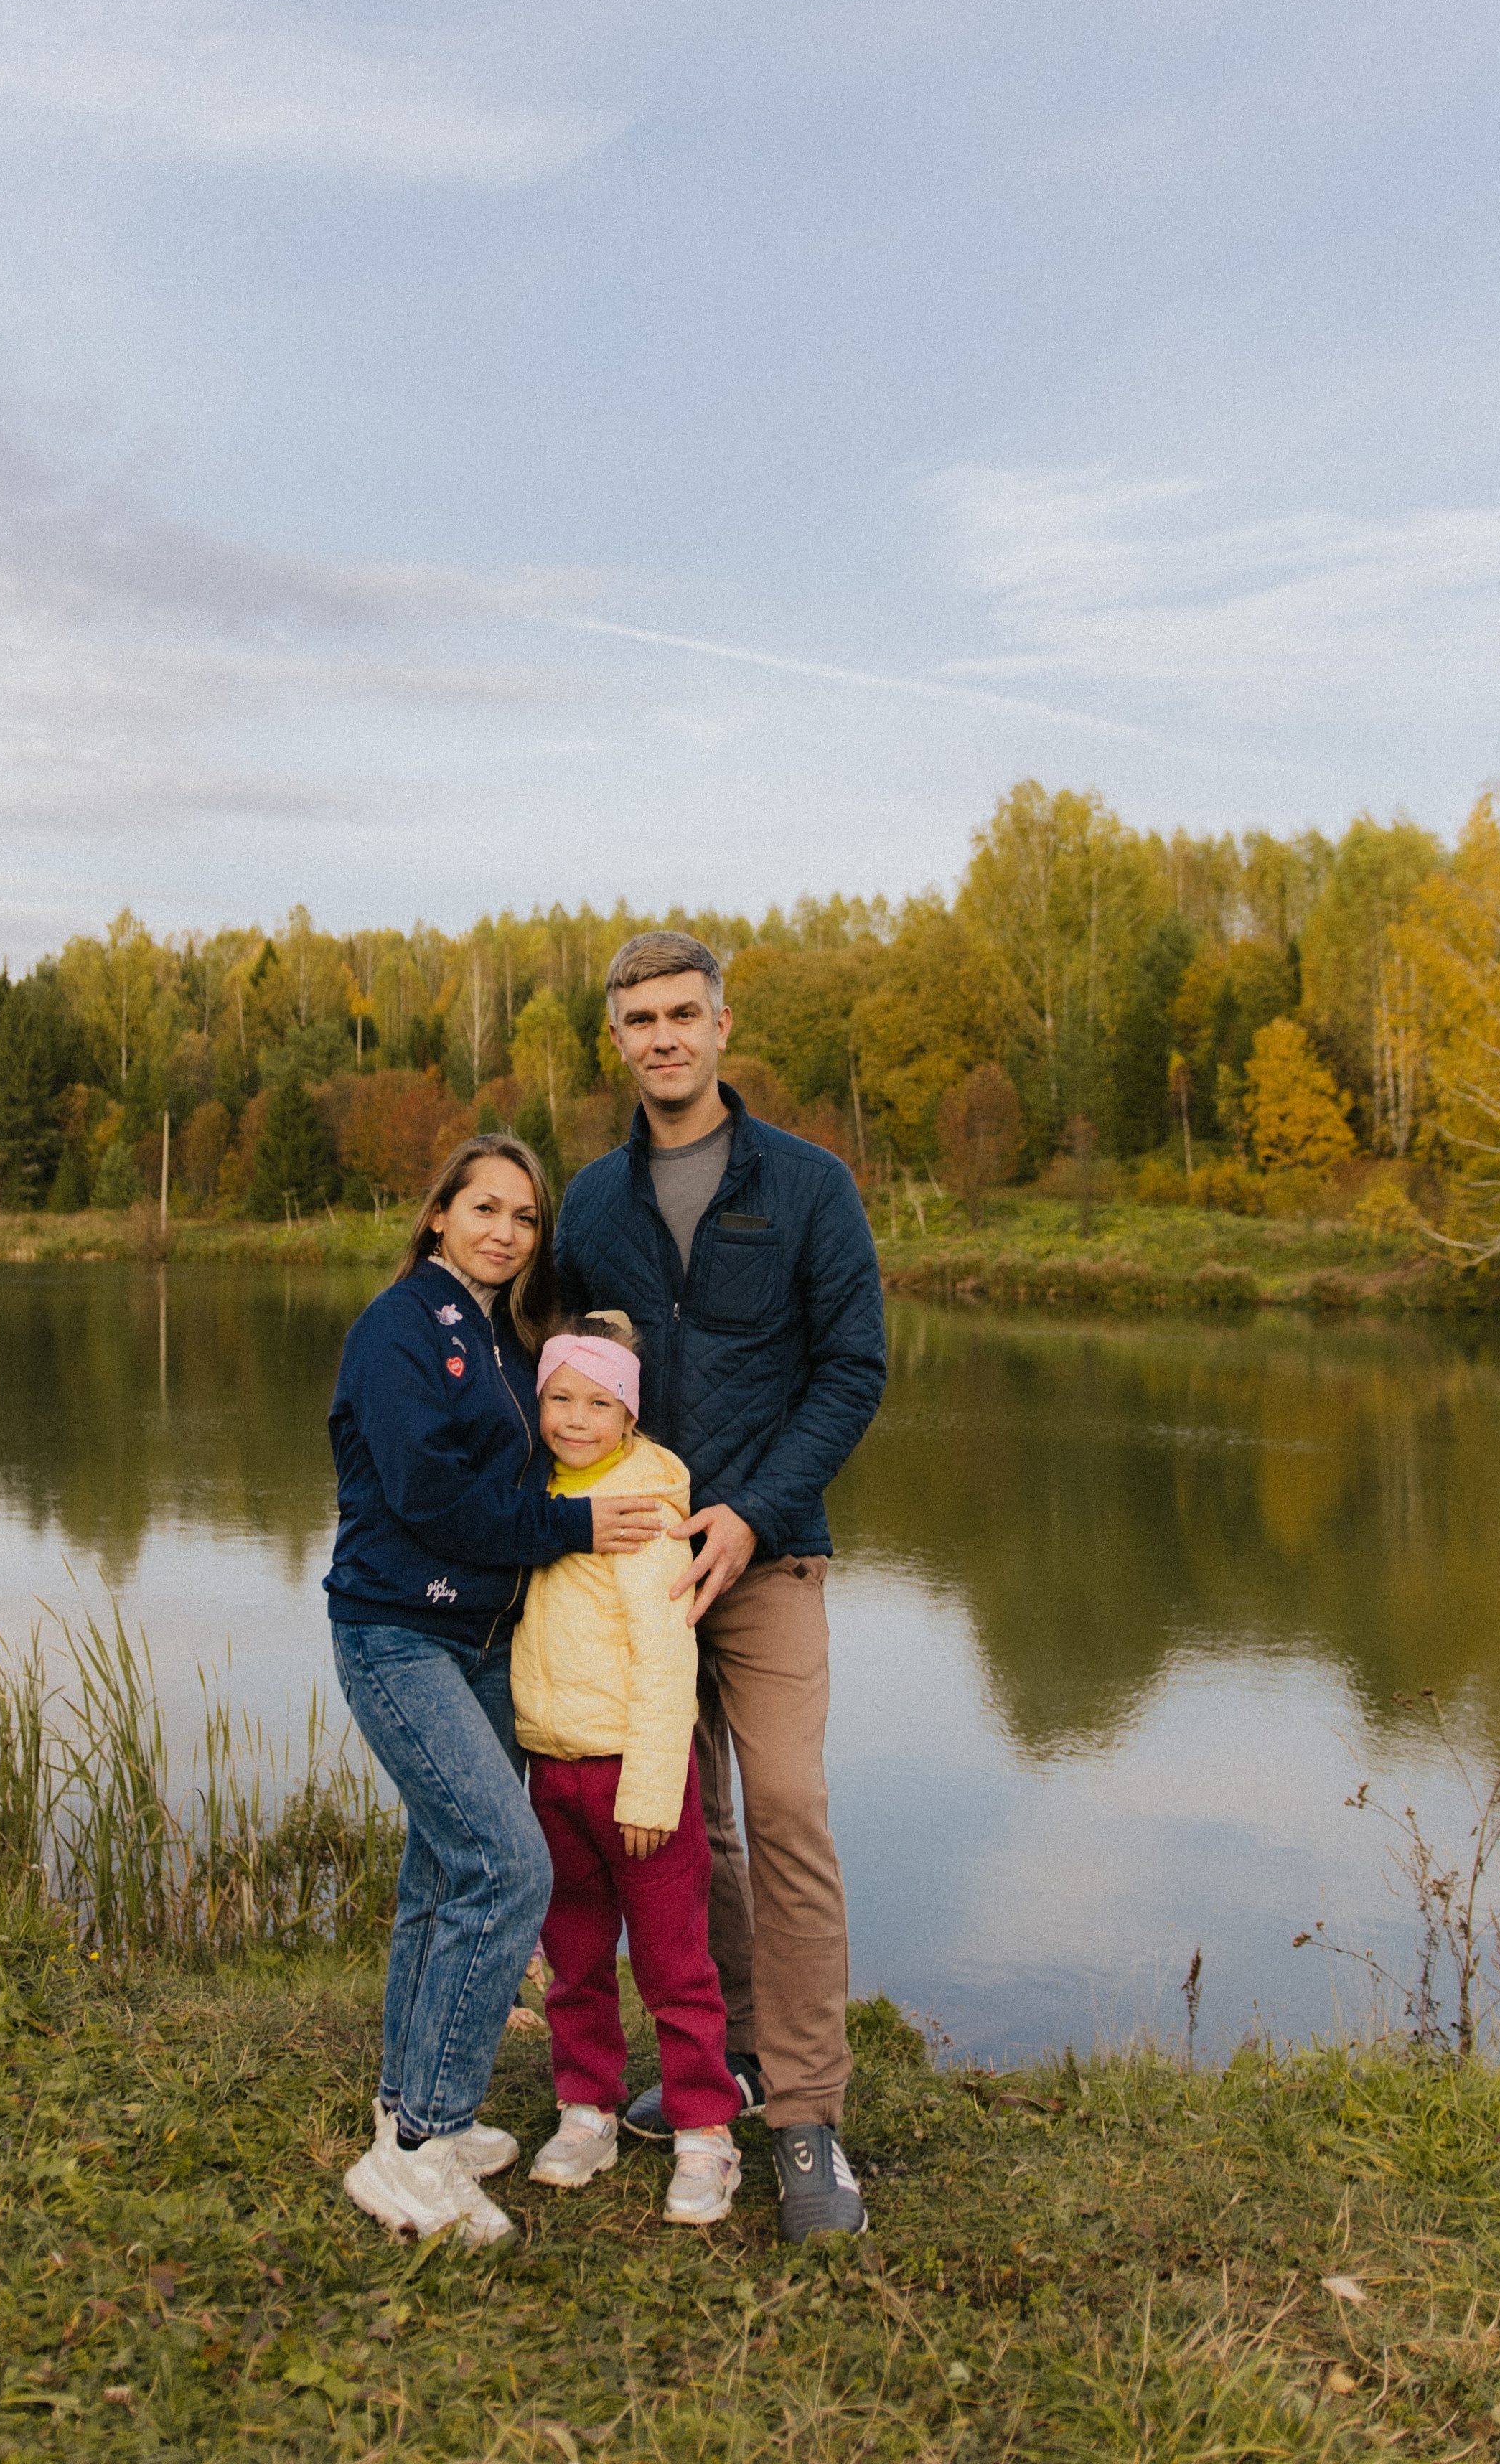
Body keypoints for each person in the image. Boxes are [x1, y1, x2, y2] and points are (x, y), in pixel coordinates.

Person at [555, 932, 888, 2241]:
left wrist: (749, 1513)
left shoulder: (809, 1187)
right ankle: (738, 2055)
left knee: (790, 1806)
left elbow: (853, 1371)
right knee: (684, 1825)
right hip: (629, 1575)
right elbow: (569, 1386)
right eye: (638, 1020)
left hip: (770, 1552)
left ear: (722, 1026)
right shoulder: (589, 1205)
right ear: (622, 1039)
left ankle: (807, 2115)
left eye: (683, 1013)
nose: (663, 1037)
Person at [324, 1134, 665, 2249]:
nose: (506, 1231)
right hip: (398, 1635)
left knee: (439, 1875)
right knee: (507, 1865)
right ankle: (420, 2151)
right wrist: (573, 1525)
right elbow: (429, 1496)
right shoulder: (399, 1329)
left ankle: (404, 2112)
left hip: (477, 1644)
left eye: (525, 1217)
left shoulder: (501, 1336)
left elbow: (567, 1434)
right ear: (438, 1216)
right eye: (485, 1208)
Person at [512, 1311, 743, 2227]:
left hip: (636, 1781)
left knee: (673, 1964)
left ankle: (704, 2132)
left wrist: (652, 1783)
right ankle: (586, 2109)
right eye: (559, 1398)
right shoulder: (540, 1497)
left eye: (597, 1403)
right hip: (553, 1771)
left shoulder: (645, 1510)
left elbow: (668, 1658)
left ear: (629, 1416)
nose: (574, 1418)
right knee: (573, 1960)